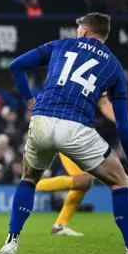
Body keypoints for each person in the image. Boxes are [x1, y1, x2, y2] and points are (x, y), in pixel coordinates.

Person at [0, 13, 128, 254]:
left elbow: (16, 66)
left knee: (29, 179)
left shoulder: (60, 45)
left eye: (78, 29)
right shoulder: (114, 66)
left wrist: (30, 101)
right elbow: (123, 122)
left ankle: (10, 242)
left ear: (85, 31)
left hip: (41, 119)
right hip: (76, 127)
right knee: (120, 182)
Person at [36, 92, 115, 237]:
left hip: (76, 133)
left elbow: (103, 102)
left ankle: (59, 225)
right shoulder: (78, 79)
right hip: (66, 132)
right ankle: (30, 186)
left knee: (85, 182)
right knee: (84, 179)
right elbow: (103, 104)